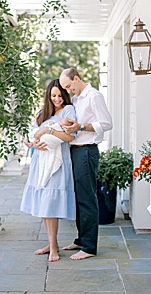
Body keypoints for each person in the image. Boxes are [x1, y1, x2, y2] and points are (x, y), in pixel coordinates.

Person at [58, 68, 113, 260]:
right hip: (75, 150)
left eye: (68, 86)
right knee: (78, 197)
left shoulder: (94, 96)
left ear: (76, 78)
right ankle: (81, 239)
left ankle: (89, 247)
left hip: (87, 151)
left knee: (87, 198)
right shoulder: (76, 99)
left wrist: (81, 126)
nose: (68, 90)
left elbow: (106, 123)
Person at [20, 79, 77, 262]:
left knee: (50, 203)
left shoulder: (68, 110)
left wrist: (47, 131)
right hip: (40, 161)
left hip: (57, 164)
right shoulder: (42, 113)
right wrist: (34, 141)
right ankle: (51, 243)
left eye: (60, 95)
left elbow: (69, 136)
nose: (57, 99)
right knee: (45, 204)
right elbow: (34, 135)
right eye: (53, 95)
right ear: (48, 96)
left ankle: (53, 247)